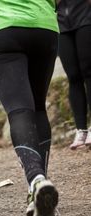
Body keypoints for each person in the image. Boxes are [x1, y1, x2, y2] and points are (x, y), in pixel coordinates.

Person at [0, 0, 61, 216]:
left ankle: (36, 179)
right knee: (37, 108)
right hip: (43, 25)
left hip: (1, 25)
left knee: (19, 110)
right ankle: (36, 189)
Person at [57, 0, 91, 150]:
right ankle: (81, 129)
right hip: (60, 21)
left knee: (89, 72)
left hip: (85, 14)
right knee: (73, 76)